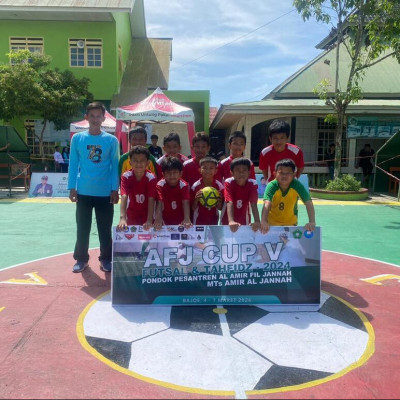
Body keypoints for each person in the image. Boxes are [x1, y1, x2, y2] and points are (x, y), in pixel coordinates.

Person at [68, 101, 119, 273]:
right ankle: (81, 259)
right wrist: (71, 187)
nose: (96, 119)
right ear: (86, 117)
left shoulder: (111, 140)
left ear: (104, 118)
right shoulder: (78, 138)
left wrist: (115, 189)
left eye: (99, 116)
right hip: (83, 191)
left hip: (105, 192)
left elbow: (114, 166)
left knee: (105, 229)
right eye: (92, 116)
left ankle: (106, 259)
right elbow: (73, 164)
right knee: (82, 227)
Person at [260, 159, 315, 234]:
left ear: (294, 175)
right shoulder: (271, 186)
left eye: (288, 173)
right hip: (271, 225)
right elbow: (267, 203)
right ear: (275, 174)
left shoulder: (297, 185)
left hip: (291, 224)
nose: (284, 176)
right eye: (281, 173)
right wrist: (263, 221)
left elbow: (308, 202)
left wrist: (312, 222)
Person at [117, 146, 157, 231]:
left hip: (147, 214)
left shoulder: (151, 178)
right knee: (131, 240)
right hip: (132, 214)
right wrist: (122, 218)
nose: (139, 164)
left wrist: (149, 220)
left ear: (147, 163)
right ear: (130, 162)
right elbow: (124, 196)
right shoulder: (125, 176)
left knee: (148, 241)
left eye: (142, 161)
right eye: (135, 160)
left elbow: (151, 198)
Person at [221, 157, 260, 233]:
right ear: (231, 173)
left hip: (244, 218)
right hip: (227, 219)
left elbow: (253, 203)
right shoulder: (228, 182)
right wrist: (231, 221)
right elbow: (229, 202)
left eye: (244, 170)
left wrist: (257, 221)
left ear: (249, 172)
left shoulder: (253, 183)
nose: (241, 173)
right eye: (238, 170)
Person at [259, 119, 304, 183]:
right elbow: (264, 170)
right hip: (273, 186)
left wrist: (293, 179)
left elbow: (300, 167)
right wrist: (269, 182)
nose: (279, 141)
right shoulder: (265, 153)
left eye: (282, 138)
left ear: (287, 138)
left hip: (291, 185)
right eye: (275, 138)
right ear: (270, 139)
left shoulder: (296, 151)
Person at [154, 157, 191, 229]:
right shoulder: (160, 185)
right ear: (163, 174)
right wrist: (158, 218)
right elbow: (159, 202)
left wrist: (187, 218)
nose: (172, 176)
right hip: (164, 220)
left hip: (180, 220)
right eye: (168, 173)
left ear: (180, 173)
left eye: (175, 172)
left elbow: (185, 202)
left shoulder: (183, 185)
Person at [191, 157, 224, 225]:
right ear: (200, 170)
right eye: (205, 168)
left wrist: (219, 202)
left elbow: (220, 208)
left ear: (216, 171)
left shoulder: (219, 186)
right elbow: (193, 208)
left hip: (213, 219)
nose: (208, 171)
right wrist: (196, 200)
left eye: (211, 168)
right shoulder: (195, 186)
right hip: (198, 220)